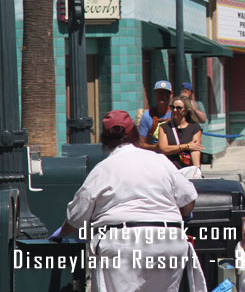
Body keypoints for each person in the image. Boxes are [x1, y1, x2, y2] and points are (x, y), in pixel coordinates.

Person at [50, 110, 206, 292]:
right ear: (134, 134)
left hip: (122, 244)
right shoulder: (159, 161)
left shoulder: (103, 169)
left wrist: (62, 232)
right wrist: (183, 215)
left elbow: (76, 217)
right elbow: (188, 198)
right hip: (168, 241)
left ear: (105, 139)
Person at [157, 96, 204, 171]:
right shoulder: (164, 127)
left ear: (186, 111)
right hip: (169, 170)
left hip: (187, 171)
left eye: (179, 108)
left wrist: (197, 170)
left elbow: (195, 149)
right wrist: (186, 146)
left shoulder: (195, 128)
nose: (175, 110)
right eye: (172, 107)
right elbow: (164, 149)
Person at [138, 80, 173, 152]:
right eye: (159, 93)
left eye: (165, 93)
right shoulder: (147, 115)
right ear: (155, 95)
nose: (162, 96)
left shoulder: (175, 113)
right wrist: (155, 147)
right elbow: (141, 143)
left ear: (171, 95)